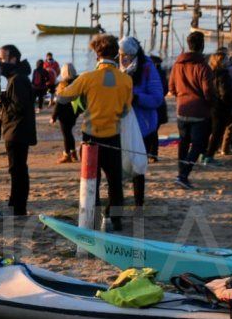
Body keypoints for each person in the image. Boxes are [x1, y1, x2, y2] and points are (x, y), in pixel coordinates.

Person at [57, 34, 133, 231]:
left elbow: (62, 98)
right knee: (115, 180)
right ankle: (116, 219)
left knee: (92, 181)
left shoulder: (87, 78)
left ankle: (93, 218)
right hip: (113, 135)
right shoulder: (126, 80)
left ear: (96, 54)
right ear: (116, 54)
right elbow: (125, 110)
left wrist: (77, 94)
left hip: (91, 137)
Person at [119, 37, 164, 208]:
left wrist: (136, 97)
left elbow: (157, 98)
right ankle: (117, 202)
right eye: (120, 54)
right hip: (121, 125)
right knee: (120, 166)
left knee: (138, 167)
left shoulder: (147, 68)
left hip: (143, 126)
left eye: (127, 55)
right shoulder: (117, 69)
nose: (123, 59)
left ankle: (139, 202)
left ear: (135, 54)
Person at [167, 31, 214, 189]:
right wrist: (211, 103)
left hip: (182, 109)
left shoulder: (178, 64)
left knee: (183, 142)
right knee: (198, 145)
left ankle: (182, 172)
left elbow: (171, 88)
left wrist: (181, 95)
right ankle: (183, 174)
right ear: (202, 46)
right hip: (199, 112)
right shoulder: (203, 67)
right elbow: (208, 92)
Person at [0, 44, 36, 217]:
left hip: (18, 131)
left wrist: (4, 102)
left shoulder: (18, 79)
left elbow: (19, 106)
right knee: (16, 169)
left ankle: (18, 208)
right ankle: (15, 205)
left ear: (13, 59)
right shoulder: (16, 77)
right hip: (16, 130)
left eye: (2, 59)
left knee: (17, 170)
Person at [206, 52, 232, 165]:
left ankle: (205, 154)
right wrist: (230, 104)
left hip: (210, 106)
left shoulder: (209, 73)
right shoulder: (223, 74)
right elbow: (225, 93)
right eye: (225, 60)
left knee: (209, 132)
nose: (228, 61)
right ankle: (209, 156)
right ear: (220, 61)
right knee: (217, 133)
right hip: (220, 107)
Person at [51, 63, 81, 163]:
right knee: (69, 133)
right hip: (74, 112)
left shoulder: (62, 85)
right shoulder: (79, 82)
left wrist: (53, 116)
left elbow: (59, 102)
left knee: (66, 135)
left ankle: (67, 154)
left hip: (63, 115)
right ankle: (73, 154)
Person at [149, 53, 169, 161]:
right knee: (154, 131)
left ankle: (152, 154)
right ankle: (153, 154)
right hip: (159, 105)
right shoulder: (161, 72)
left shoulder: (148, 73)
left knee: (151, 131)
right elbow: (165, 89)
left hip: (154, 106)